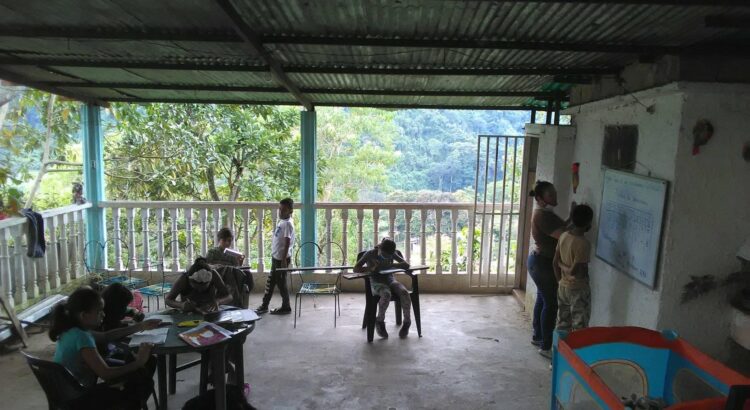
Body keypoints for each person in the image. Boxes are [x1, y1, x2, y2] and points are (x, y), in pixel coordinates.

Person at [49, 286, 157, 410]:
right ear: (84, 315)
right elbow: (105, 373)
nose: (103, 314)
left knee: (136, 375)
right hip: (79, 398)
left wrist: (140, 326)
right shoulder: (82, 337)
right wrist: (139, 362)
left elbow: (105, 336)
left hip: (66, 392)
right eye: (99, 311)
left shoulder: (71, 329)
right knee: (142, 383)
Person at [528, 180, 572, 359]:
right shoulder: (543, 216)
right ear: (540, 198)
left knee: (543, 299)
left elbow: (562, 229)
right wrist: (576, 221)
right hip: (543, 264)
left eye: (555, 193)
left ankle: (538, 336)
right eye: (550, 195)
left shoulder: (545, 213)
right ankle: (546, 346)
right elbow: (564, 235)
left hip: (539, 262)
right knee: (551, 304)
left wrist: (571, 218)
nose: (555, 197)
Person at [353, 237, 412, 339]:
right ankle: (380, 321)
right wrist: (371, 268)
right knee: (386, 294)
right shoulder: (370, 254)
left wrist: (391, 265)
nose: (387, 257)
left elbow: (406, 265)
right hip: (376, 282)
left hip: (390, 280)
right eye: (385, 255)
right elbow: (355, 269)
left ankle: (407, 322)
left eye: (389, 255)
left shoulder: (392, 253)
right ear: (380, 249)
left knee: (404, 292)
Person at [554, 204, 594, 333]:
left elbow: (555, 262)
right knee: (579, 328)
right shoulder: (583, 244)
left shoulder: (563, 236)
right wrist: (564, 267)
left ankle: (558, 346)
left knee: (562, 323)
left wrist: (560, 281)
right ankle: (575, 347)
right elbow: (575, 272)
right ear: (588, 223)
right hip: (578, 289)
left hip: (563, 287)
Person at [256, 198, 295, 315]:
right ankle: (264, 305)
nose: (280, 212)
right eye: (280, 209)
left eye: (284, 210)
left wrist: (283, 259)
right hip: (276, 257)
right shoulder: (283, 221)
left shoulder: (288, 223)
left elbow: (287, 241)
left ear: (290, 211)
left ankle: (286, 306)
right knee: (271, 282)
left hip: (281, 259)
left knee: (281, 283)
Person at [166, 257, 233, 314]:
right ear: (190, 281)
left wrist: (218, 301)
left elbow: (229, 296)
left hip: (209, 312)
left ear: (210, 281)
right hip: (189, 314)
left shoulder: (214, 275)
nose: (200, 291)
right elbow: (168, 300)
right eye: (197, 288)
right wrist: (181, 305)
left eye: (204, 288)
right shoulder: (184, 279)